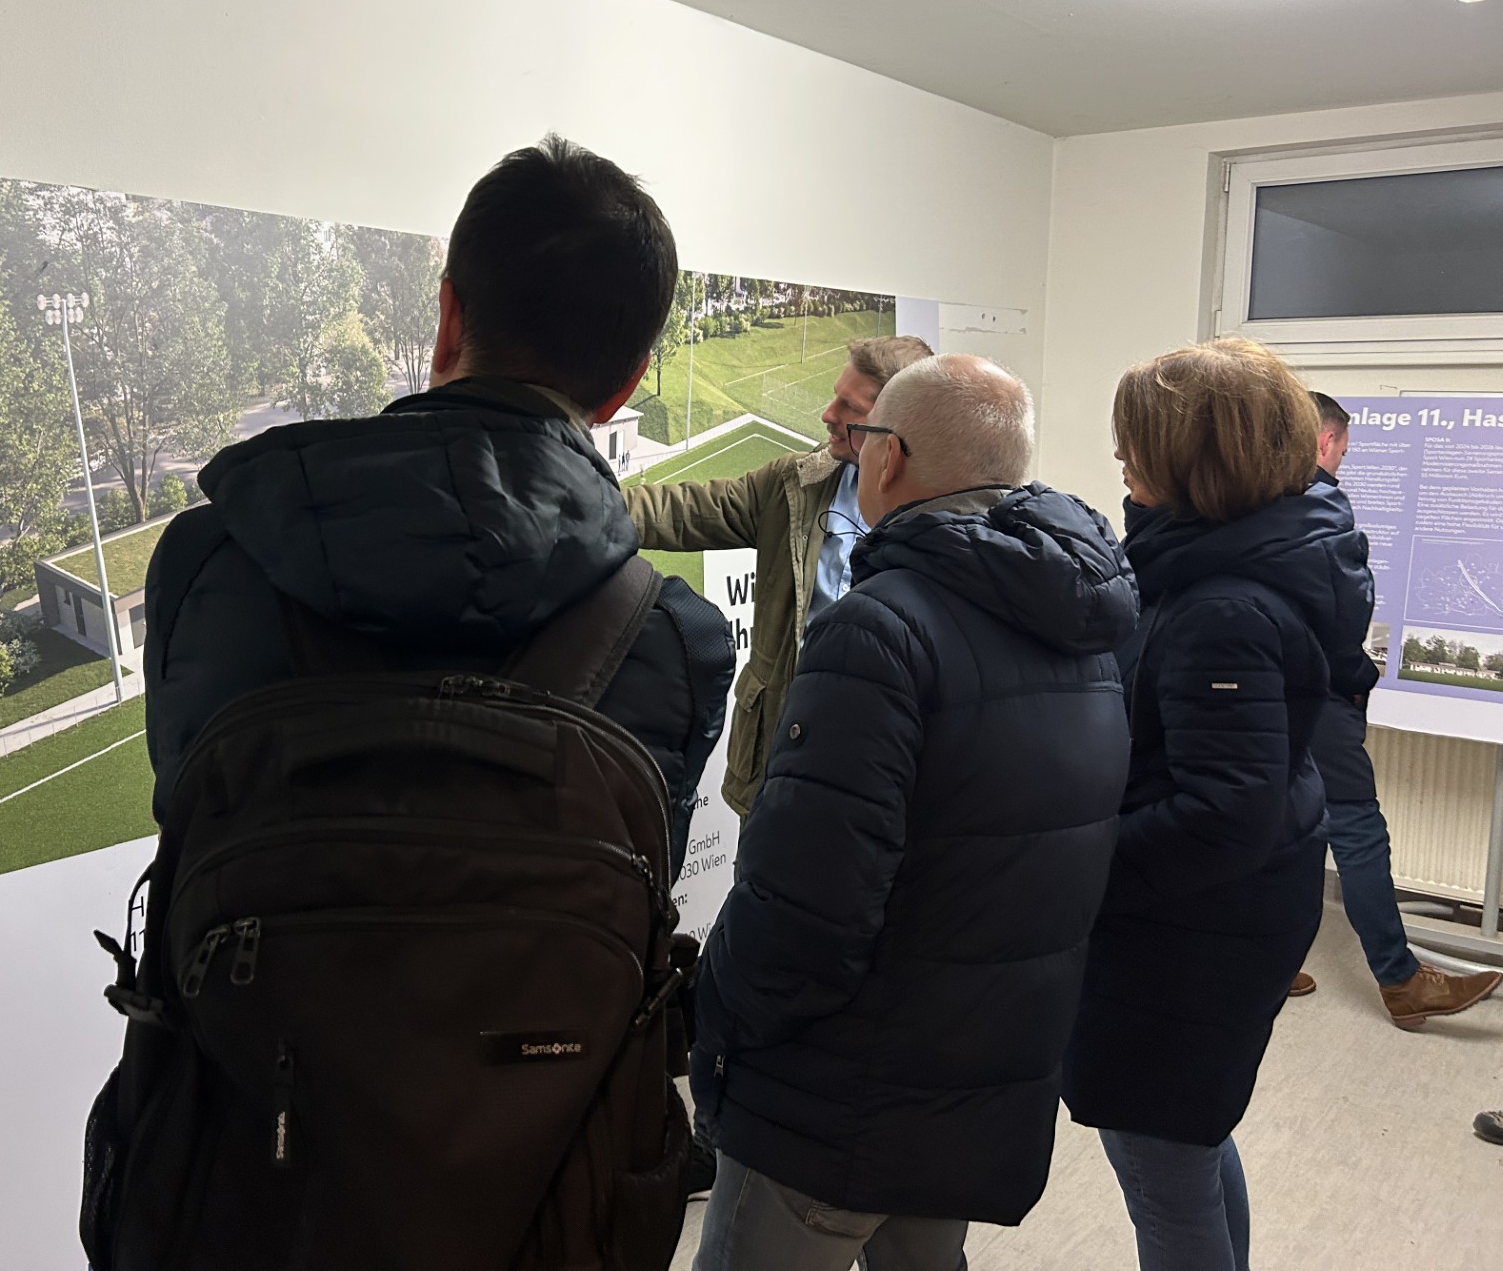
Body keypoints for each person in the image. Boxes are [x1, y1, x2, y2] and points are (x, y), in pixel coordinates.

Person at [133, 135, 734, 1260]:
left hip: (249, 1202)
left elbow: (190, 818)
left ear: (450, 315)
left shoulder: (208, 562)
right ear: (628, 381)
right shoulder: (677, 640)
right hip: (548, 1214)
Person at [689, 354, 1138, 1271]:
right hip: (977, 1077)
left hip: (842, 1094)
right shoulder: (1087, 626)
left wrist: (714, 1022)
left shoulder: (878, 627)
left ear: (888, 456)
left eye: (858, 435)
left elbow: (803, 911)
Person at [1063, 339, 1372, 1271]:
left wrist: (1065, 865)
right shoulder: (1247, 554)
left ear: (1197, 458)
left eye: (1137, 442)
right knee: (1191, 1141)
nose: (1120, 458)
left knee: (1161, 1160)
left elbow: (1223, 814)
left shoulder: (1223, 605)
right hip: (1225, 908)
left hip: (1190, 932)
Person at [622, 333, 933, 818]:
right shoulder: (797, 483)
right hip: (779, 764)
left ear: (894, 431)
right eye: (835, 396)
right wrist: (587, 500)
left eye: (849, 408)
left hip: (882, 771)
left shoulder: (947, 524)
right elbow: (686, 510)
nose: (828, 414)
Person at [1290, 393, 1501, 1025]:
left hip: (1265, 695)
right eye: (1343, 452)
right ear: (1325, 441)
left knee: (1285, 829)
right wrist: (1362, 678)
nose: (1342, 465)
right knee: (1357, 829)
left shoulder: (1245, 504)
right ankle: (1401, 981)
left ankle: (1266, 961)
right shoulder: (1320, 508)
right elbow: (1342, 623)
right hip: (1320, 698)